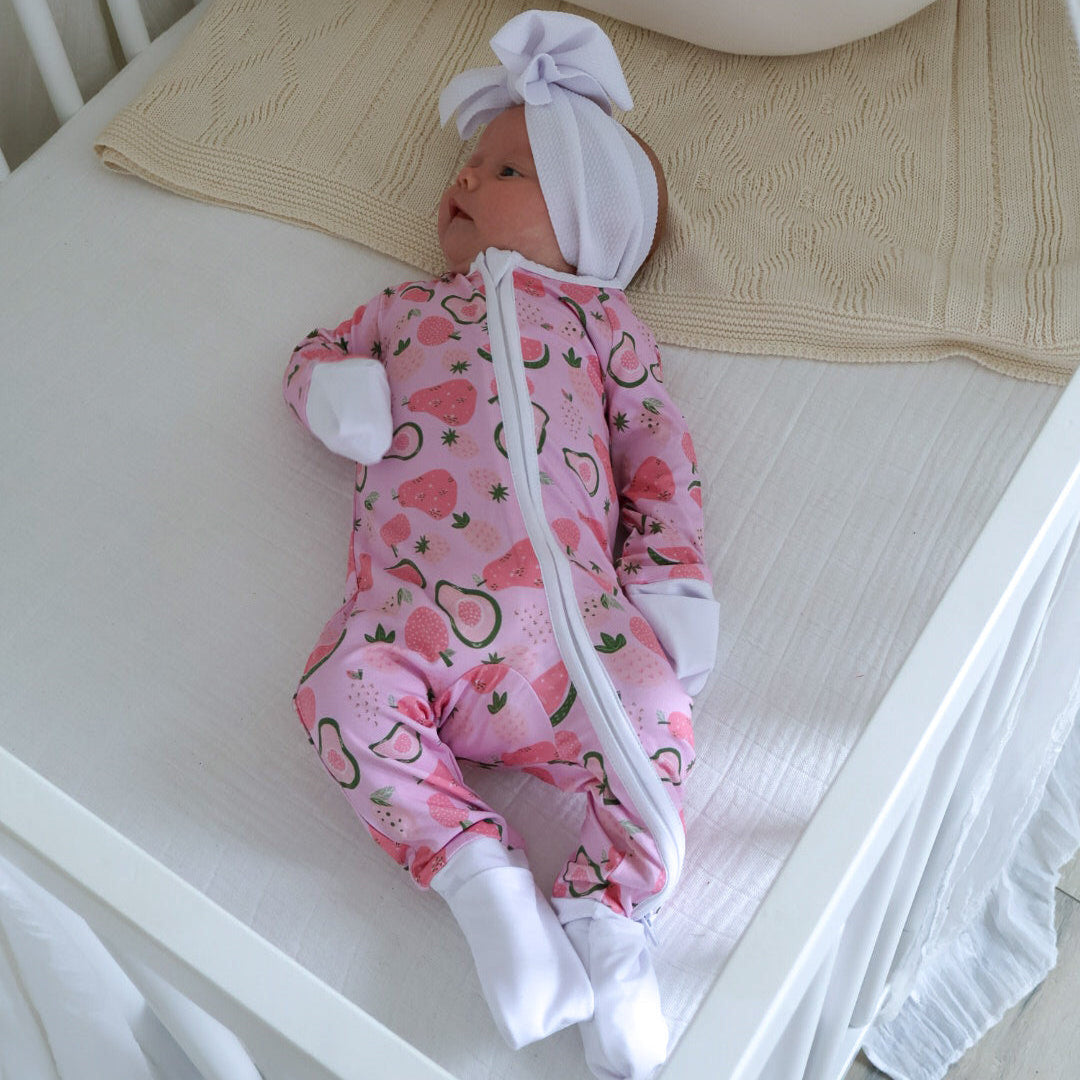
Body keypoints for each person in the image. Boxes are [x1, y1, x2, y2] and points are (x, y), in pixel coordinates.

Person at [283, 11, 720, 1079]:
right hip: (411, 617)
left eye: (507, 168)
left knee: (660, 720)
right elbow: (315, 353)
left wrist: (671, 576)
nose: (466, 178)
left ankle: (611, 922)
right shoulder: (400, 309)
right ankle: (483, 883)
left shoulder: (602, 323)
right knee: (337, 693)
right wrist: (335, 390)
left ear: (588, 224)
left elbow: (655, 445)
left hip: (573, 637)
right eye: (471, 164)